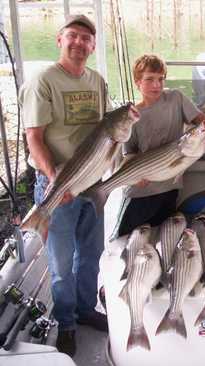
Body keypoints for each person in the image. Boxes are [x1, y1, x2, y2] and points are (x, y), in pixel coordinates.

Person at [19, 15, 111, 357]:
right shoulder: (43, 80)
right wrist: (56, 180)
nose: (79, 43)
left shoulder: (97, 81)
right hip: (57, 181)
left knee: (91, 254)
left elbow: (106, 130)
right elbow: (34, 138)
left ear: (92, 45)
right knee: (61, 260)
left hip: (93, 180)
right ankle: (67, 323)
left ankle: (86, 309)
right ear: (60, 40)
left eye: (86, 38)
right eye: (72, 36)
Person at [112, 54, 205, 238]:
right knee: (126, 239)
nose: (157, 85)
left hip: (169, 189)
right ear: (138, 82)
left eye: (161, 79)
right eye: (150, 79)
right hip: (140, 192)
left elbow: (200, 120)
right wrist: (134, 178)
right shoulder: (132, 117)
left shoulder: (176, 98)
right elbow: (129, 153)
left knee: (163, 238)